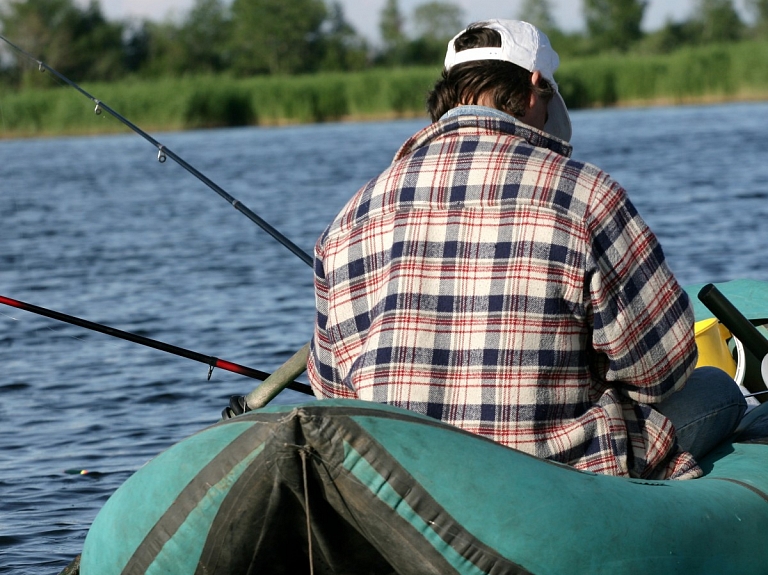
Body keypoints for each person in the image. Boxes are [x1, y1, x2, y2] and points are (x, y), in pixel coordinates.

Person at [307, 19, 747, 480]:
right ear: (535, 87)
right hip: (554, 478)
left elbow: (332, 392)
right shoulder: (586, 194)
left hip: (401, 480)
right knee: (719, 389)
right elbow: (663, 367)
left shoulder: (350, 215)